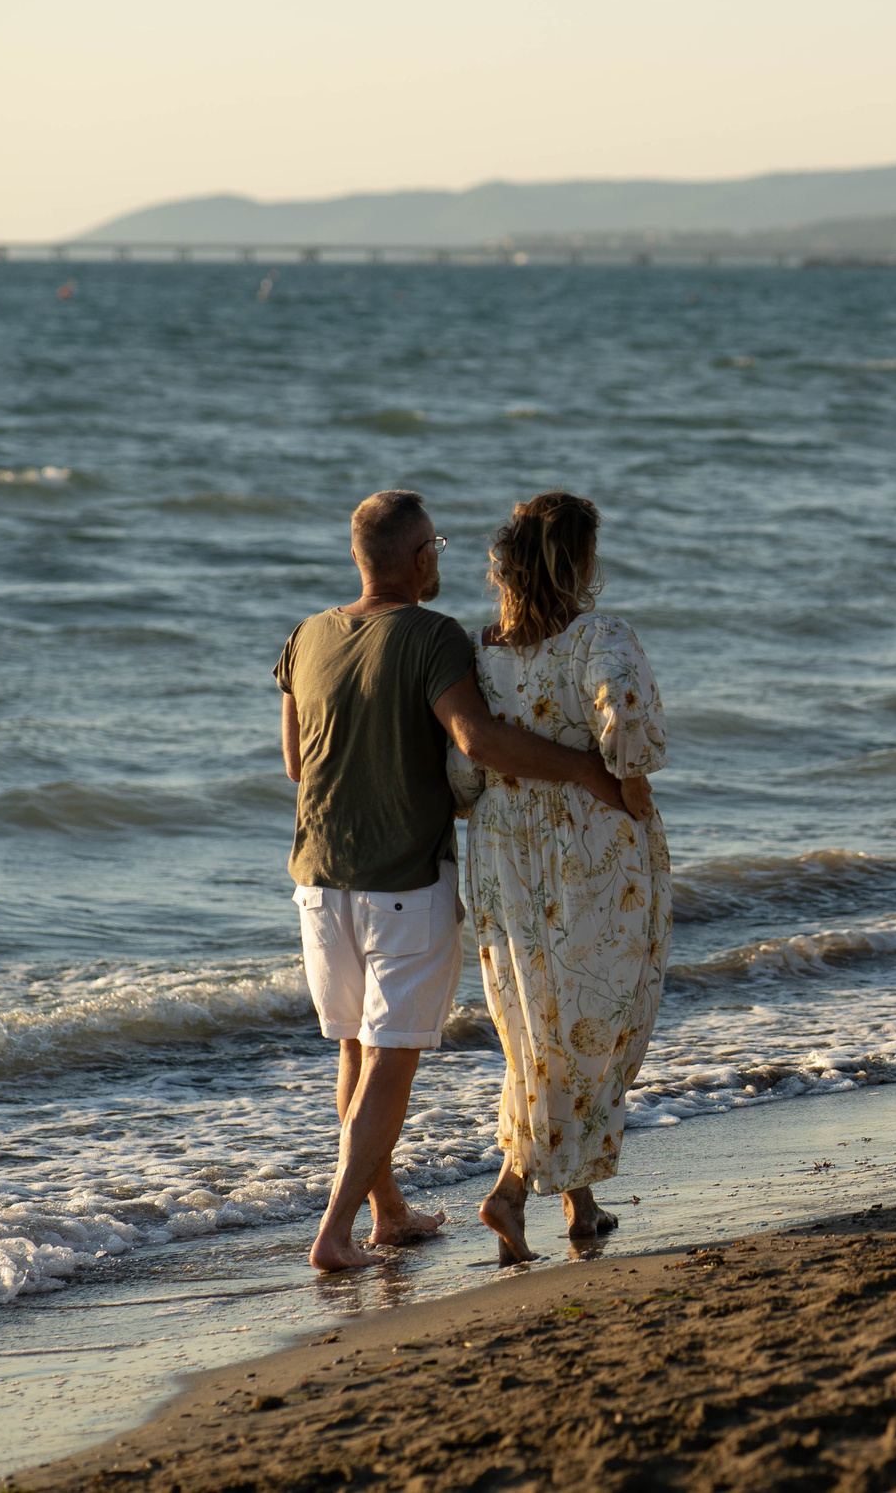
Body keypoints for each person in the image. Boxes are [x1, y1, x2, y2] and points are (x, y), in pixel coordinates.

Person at [276, 489, 634, 1272]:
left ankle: (390, 1213)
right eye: (434, 545)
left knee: (354, 1051)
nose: (441, 556)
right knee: (392, 1058)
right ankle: (334, 1233)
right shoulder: (434, 635)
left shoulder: (306, 637)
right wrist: (585, 770)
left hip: (316, 877)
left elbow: (299, 764)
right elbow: (477, 740)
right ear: (419, 558)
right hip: (402, 881)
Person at [454, 492, 673, 1265]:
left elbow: (462, 770)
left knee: (539, 1027)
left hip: (504, 851)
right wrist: (631, 783)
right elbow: (627, 720)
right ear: (579, 561)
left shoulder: (482, 654)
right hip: (593, 848)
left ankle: (579, 1205)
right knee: (596, 1021)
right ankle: (510, 1192)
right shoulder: (598, 638)